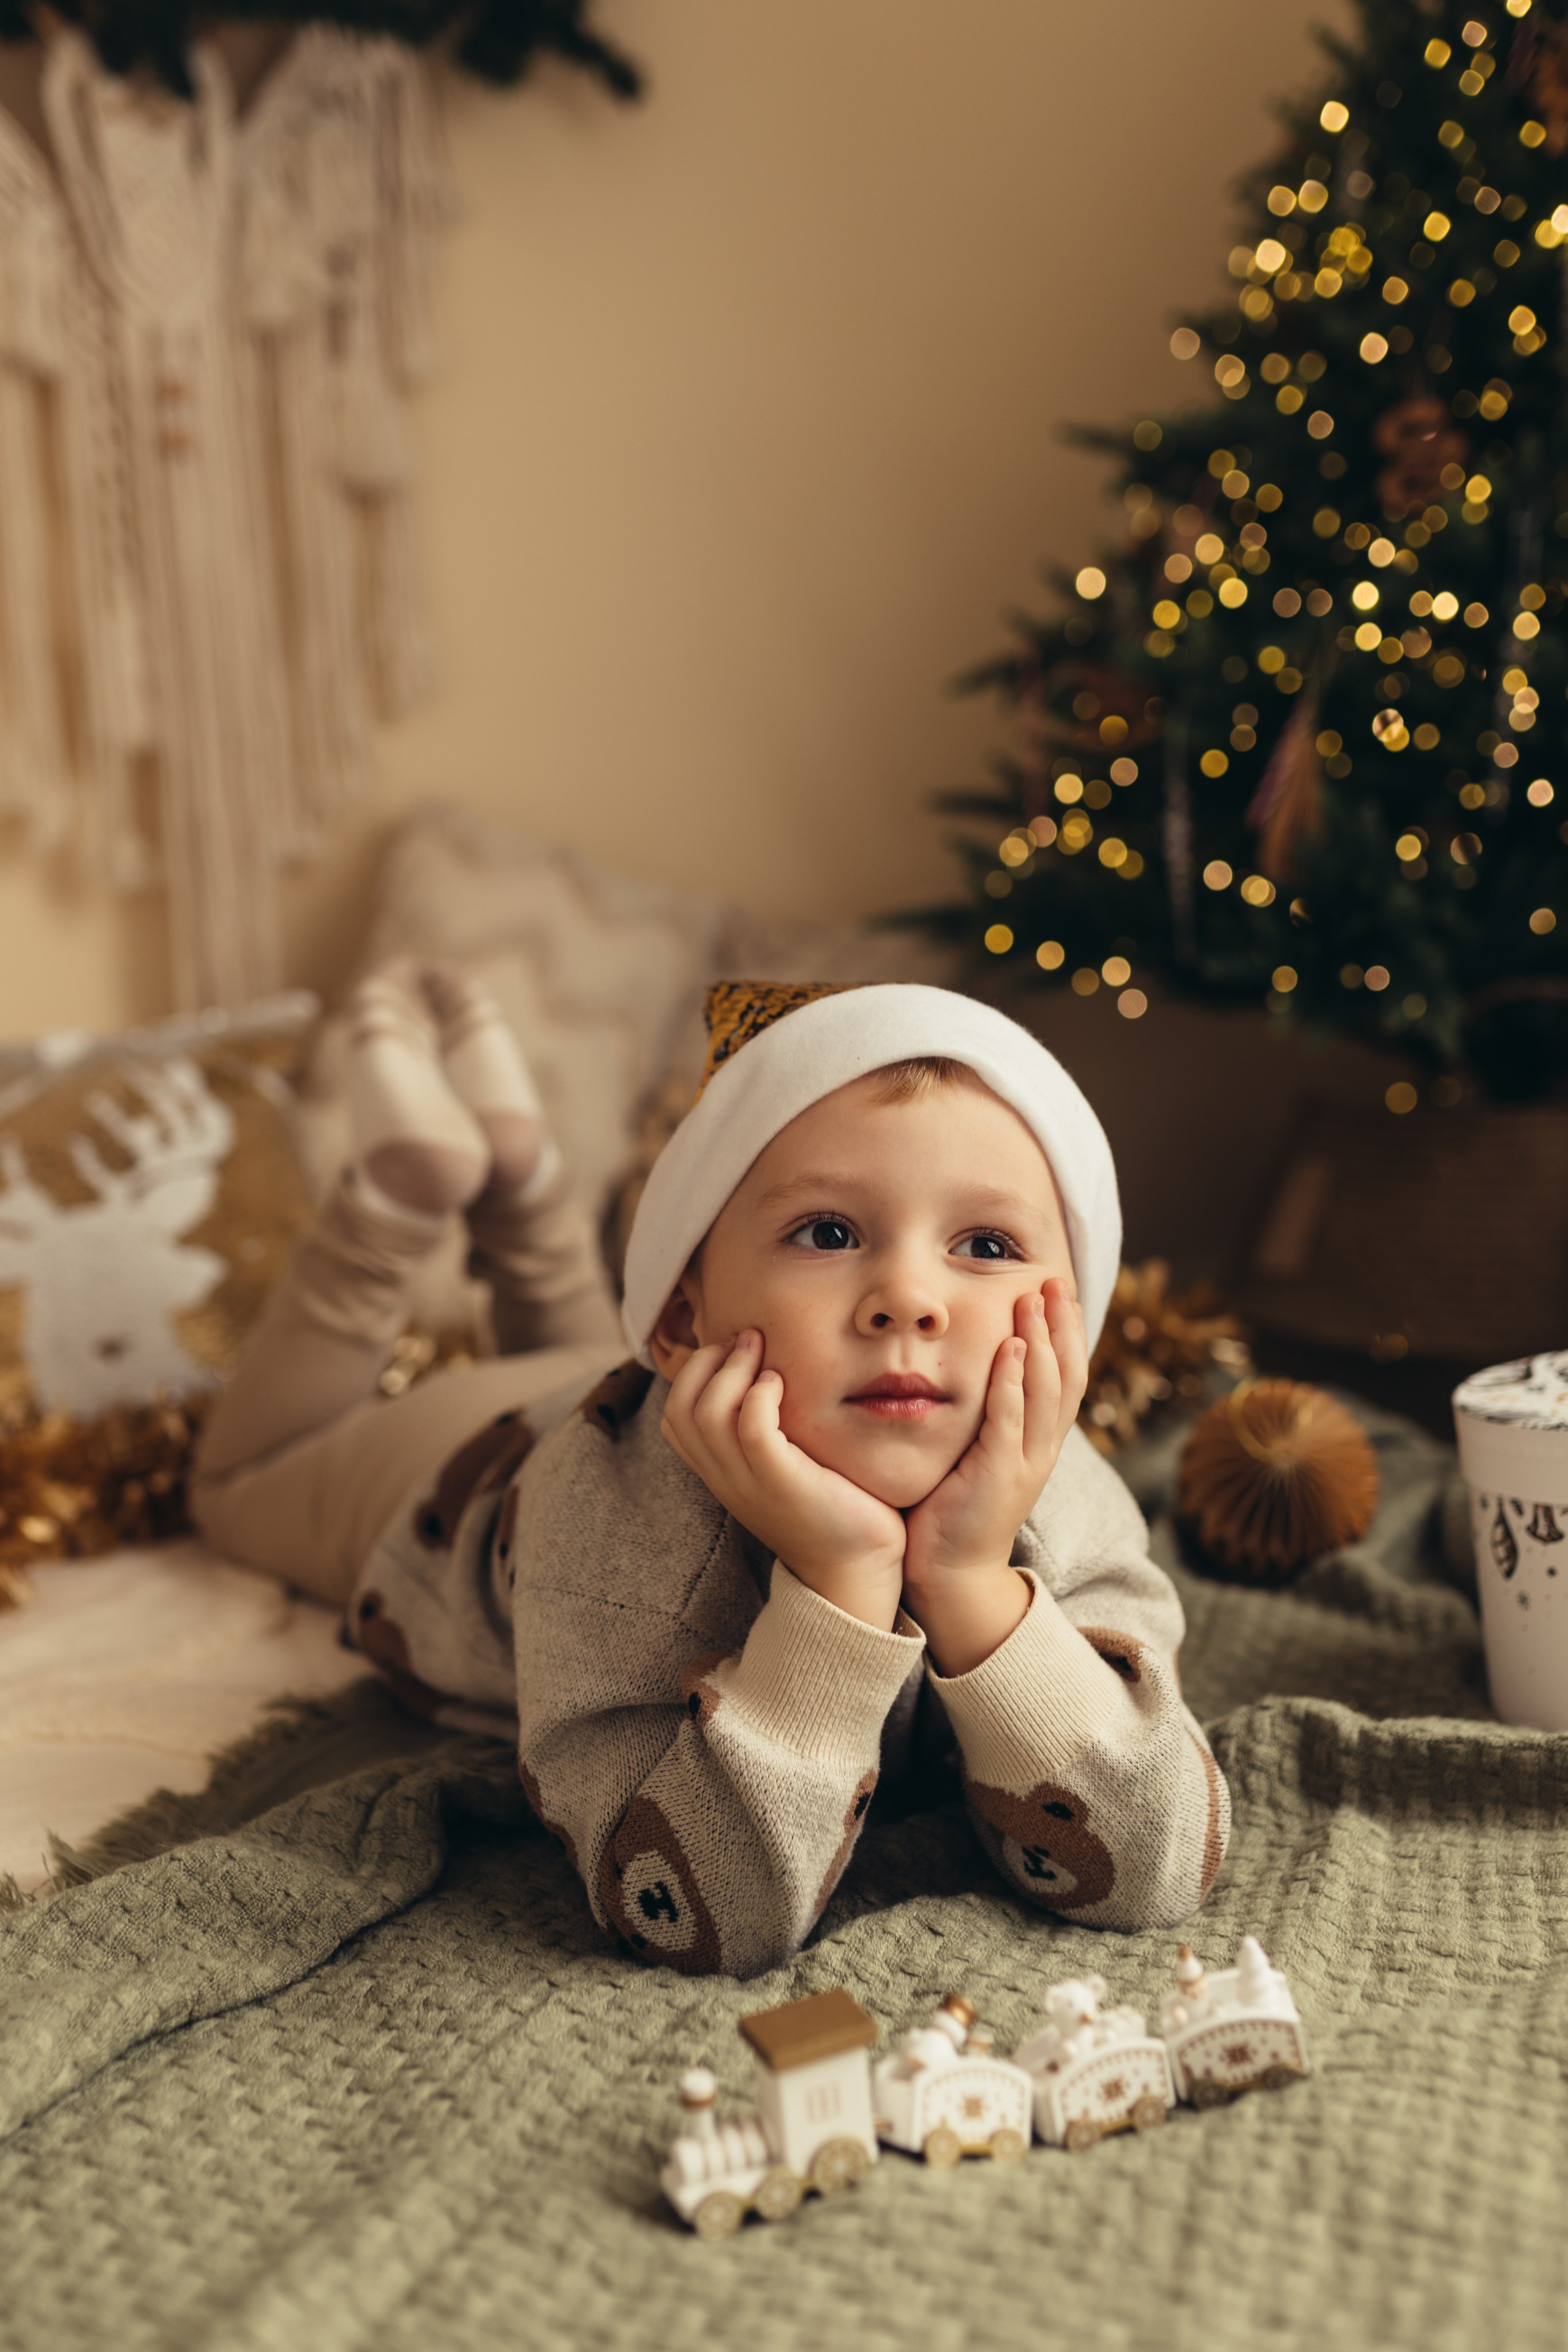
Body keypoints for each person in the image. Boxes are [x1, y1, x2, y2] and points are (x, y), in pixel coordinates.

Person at [193, 968, 1229, 1978]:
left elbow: (1155, 1864)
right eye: (829, 1232)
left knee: (576, 1342)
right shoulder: (614, 1524)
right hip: (469, 1463)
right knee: (240, 1487)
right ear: (683, 1319)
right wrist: (839, 1589)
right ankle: (394, 1197)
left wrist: (974, 1585)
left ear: (1072, 1320)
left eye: (987, 1243)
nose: (910, 1297)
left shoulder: (1068, 1495)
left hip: (671, 1380)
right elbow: (691, 1913)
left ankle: (521, 1180)